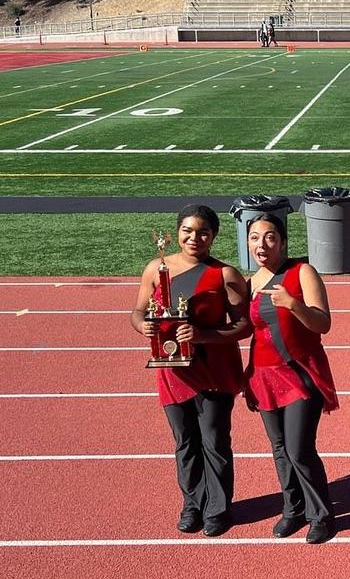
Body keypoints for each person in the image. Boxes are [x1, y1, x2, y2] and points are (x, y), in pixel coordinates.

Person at [131, 204, 250, 537]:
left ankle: (218, 508)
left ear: (213, 236)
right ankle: (192, 504)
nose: (194, 237)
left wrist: (203, 336)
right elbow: (138, 311)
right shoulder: (156, 268)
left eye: (203, 232)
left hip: (213, 371)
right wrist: (144, 327)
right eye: (187, 230)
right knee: (185, 442)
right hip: (172, 372)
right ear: (177, 232)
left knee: (213, 441)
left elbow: (244, 326)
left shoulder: (225, 274)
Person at [243, 214, 338, 544]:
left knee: (299, 449)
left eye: (270, 237)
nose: (262, 244)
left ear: (283, 241)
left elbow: (323, 323)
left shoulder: (302, 272)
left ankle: (322, 515)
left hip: (299, 373)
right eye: (254, 238)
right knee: (280, 449)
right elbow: (254, 331)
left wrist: (292, 304)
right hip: (264, 376)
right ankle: (293, 509)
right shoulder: (252, 281)